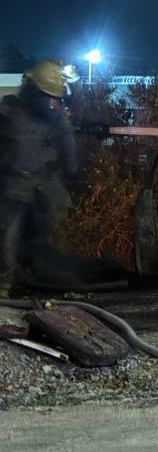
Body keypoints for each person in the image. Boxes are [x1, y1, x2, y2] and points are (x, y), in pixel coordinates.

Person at [0, 60, 79, 296]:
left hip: (37, 183)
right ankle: (6, 282)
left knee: (43, 230)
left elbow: (67, 154)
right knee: (10, 234)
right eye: (47, 97)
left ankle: (31, 275)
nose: (50, 102)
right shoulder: (11, 114)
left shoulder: (46, 117)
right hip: (14, 185)